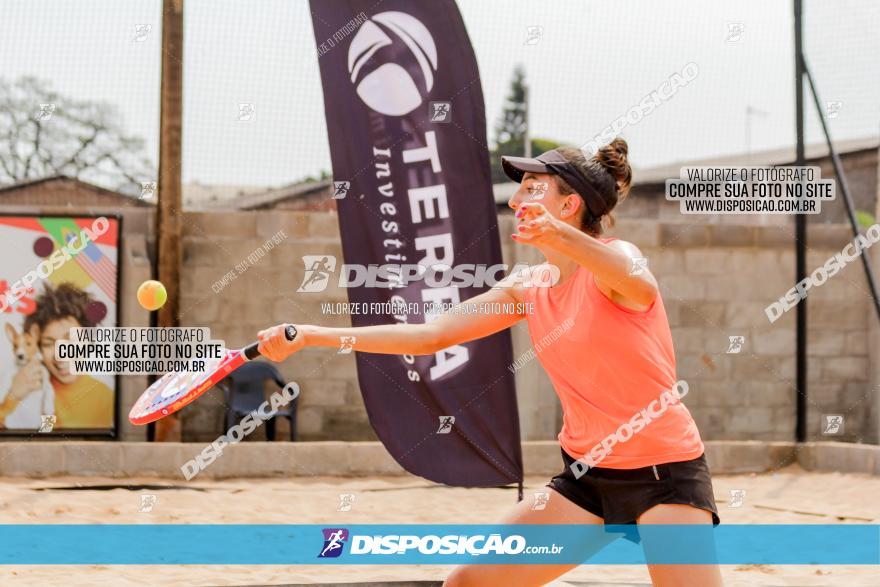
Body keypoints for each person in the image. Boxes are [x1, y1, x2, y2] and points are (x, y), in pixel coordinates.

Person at [257, 139, 722, 586]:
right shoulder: (528, 286)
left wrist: (560, 235)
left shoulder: (618, 258)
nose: (517, 197)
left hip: (664, 471)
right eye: (520, 188)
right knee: (469, 583)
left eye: (533, 187)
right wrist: (313, 335)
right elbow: (428, 336)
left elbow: (634, 279)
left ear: (569, 204)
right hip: (587, 476)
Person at [0, 283, 114, 429]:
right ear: (38, 346)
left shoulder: (104, 398)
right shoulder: (22, 382)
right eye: (48, 343)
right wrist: (11, 398)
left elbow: (49, 436)